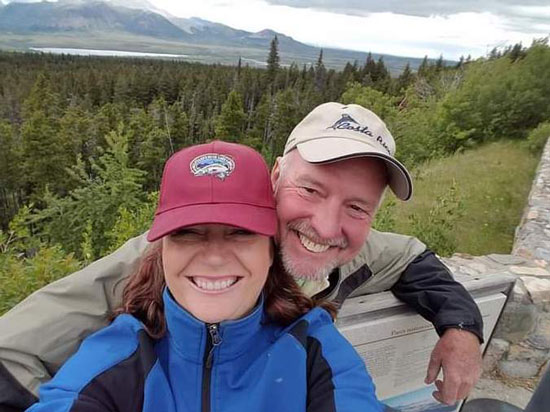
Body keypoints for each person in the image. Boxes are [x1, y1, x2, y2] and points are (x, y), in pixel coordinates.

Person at [0, 103, 482, 411]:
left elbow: (415, 261)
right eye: (310, 189)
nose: (326, 226)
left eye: (357, 207)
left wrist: (461, 329)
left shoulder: (329, 312)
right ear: (275, 177)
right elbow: (17, 351)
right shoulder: (160, 260)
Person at [26, 141, 386, 411]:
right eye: (188, 232)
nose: (214, 256)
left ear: (270, 247)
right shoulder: (116, 359)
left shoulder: (312, 349)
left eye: (241, 232)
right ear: (162, 249)